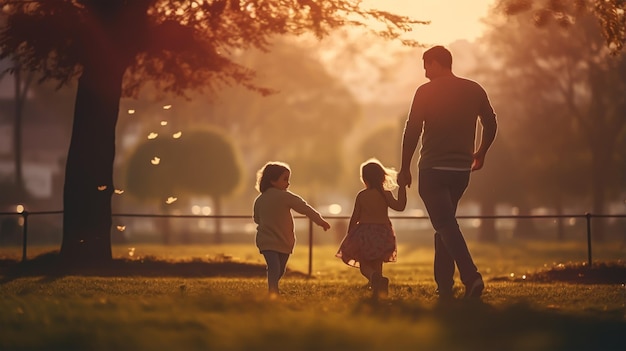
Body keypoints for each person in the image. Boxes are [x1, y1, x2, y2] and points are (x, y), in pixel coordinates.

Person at [398, 45, 497, 300]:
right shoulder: (474, 89)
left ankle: (470, 276)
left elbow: (412, 130)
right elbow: (491, 121)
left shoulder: (425, 92)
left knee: (444, 224)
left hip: (432, 169)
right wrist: (481, 151)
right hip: (460, 171)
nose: (424, 71)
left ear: (438, 63)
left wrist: (405, 166)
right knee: (445, 225)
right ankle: (444, 286)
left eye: (426, 65)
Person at [253, 161, 331, 297]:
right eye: (285, 179)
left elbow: (256, 219)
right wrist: (320, 221)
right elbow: (305, 208)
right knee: (274, 266)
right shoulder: (270, 198)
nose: (288, 183)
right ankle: (273, 291)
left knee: (280, 269)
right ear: (272, 181)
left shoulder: (267, 199)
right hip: (269, 240)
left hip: (282, 241)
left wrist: (319, 221)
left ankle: (272, 286)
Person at [336, 158, 407, 298]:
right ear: (382, 177)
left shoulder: (362, 195)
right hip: (383, 232)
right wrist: (402, 188)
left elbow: (355, 216)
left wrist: (350, 234)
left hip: (365, 233)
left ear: (365, 179)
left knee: (364, 265)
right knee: (377, 262)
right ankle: (379, 288)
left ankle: (374, 278)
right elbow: (400, 207)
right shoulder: (385, 194)